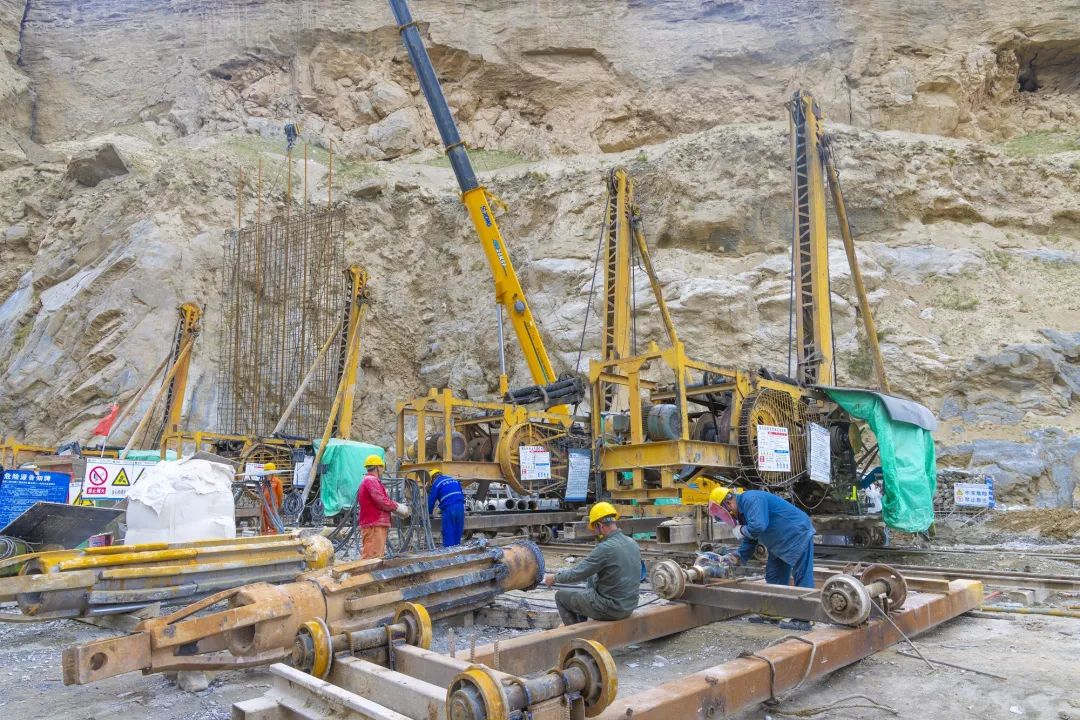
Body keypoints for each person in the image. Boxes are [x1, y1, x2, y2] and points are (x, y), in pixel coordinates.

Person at [543, 502, 641, 626]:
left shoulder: (605, 548)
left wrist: (554, 578)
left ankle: (576, 634)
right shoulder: (632, 542)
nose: (594, 533)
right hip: (629, 606)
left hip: (612, 609)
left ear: (600, 525)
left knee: (561, 596)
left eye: (594, 529)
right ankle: (582, 626)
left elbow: (577, 574)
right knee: (589, 584)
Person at [708, 486, 815, 589]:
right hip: (778, 540)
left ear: (728, 504)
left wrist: (742, 530)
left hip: (797, 533)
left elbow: (758, 526)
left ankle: (807, 601)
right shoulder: (742, 512)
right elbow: (751, 538)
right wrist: (738, 556)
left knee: (803, 578)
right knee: (774, 579)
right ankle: (777, 601)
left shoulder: (751, 499)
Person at [357, 454, 410, 559]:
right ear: (378, 467)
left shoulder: (370, 481)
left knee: (376, 556)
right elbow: (381, 500)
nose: (382, 470)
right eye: (382, 467)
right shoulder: (371, 481)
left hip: (374, 524)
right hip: (374, 524)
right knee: (372, 558)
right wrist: (397, 507)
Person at [427, 468, 466, 547]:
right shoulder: (454, 480)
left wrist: (428, 514)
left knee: (448, 532)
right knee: (458, 532)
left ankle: (449, 551)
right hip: (461, 507)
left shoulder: (437, 483)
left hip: (449, 509)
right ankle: (457, 551)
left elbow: (431, 501)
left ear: (432, 479)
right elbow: (460, 494)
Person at [260, 462, 284, 535]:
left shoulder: (277, 482)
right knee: (263, 523)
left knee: (272, 523)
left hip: (272, 506)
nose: (267, 474)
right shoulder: (264, 482)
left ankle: (274, 535)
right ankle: (264, 536)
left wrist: (279, 505)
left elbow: (280, 495)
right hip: (263, 506)